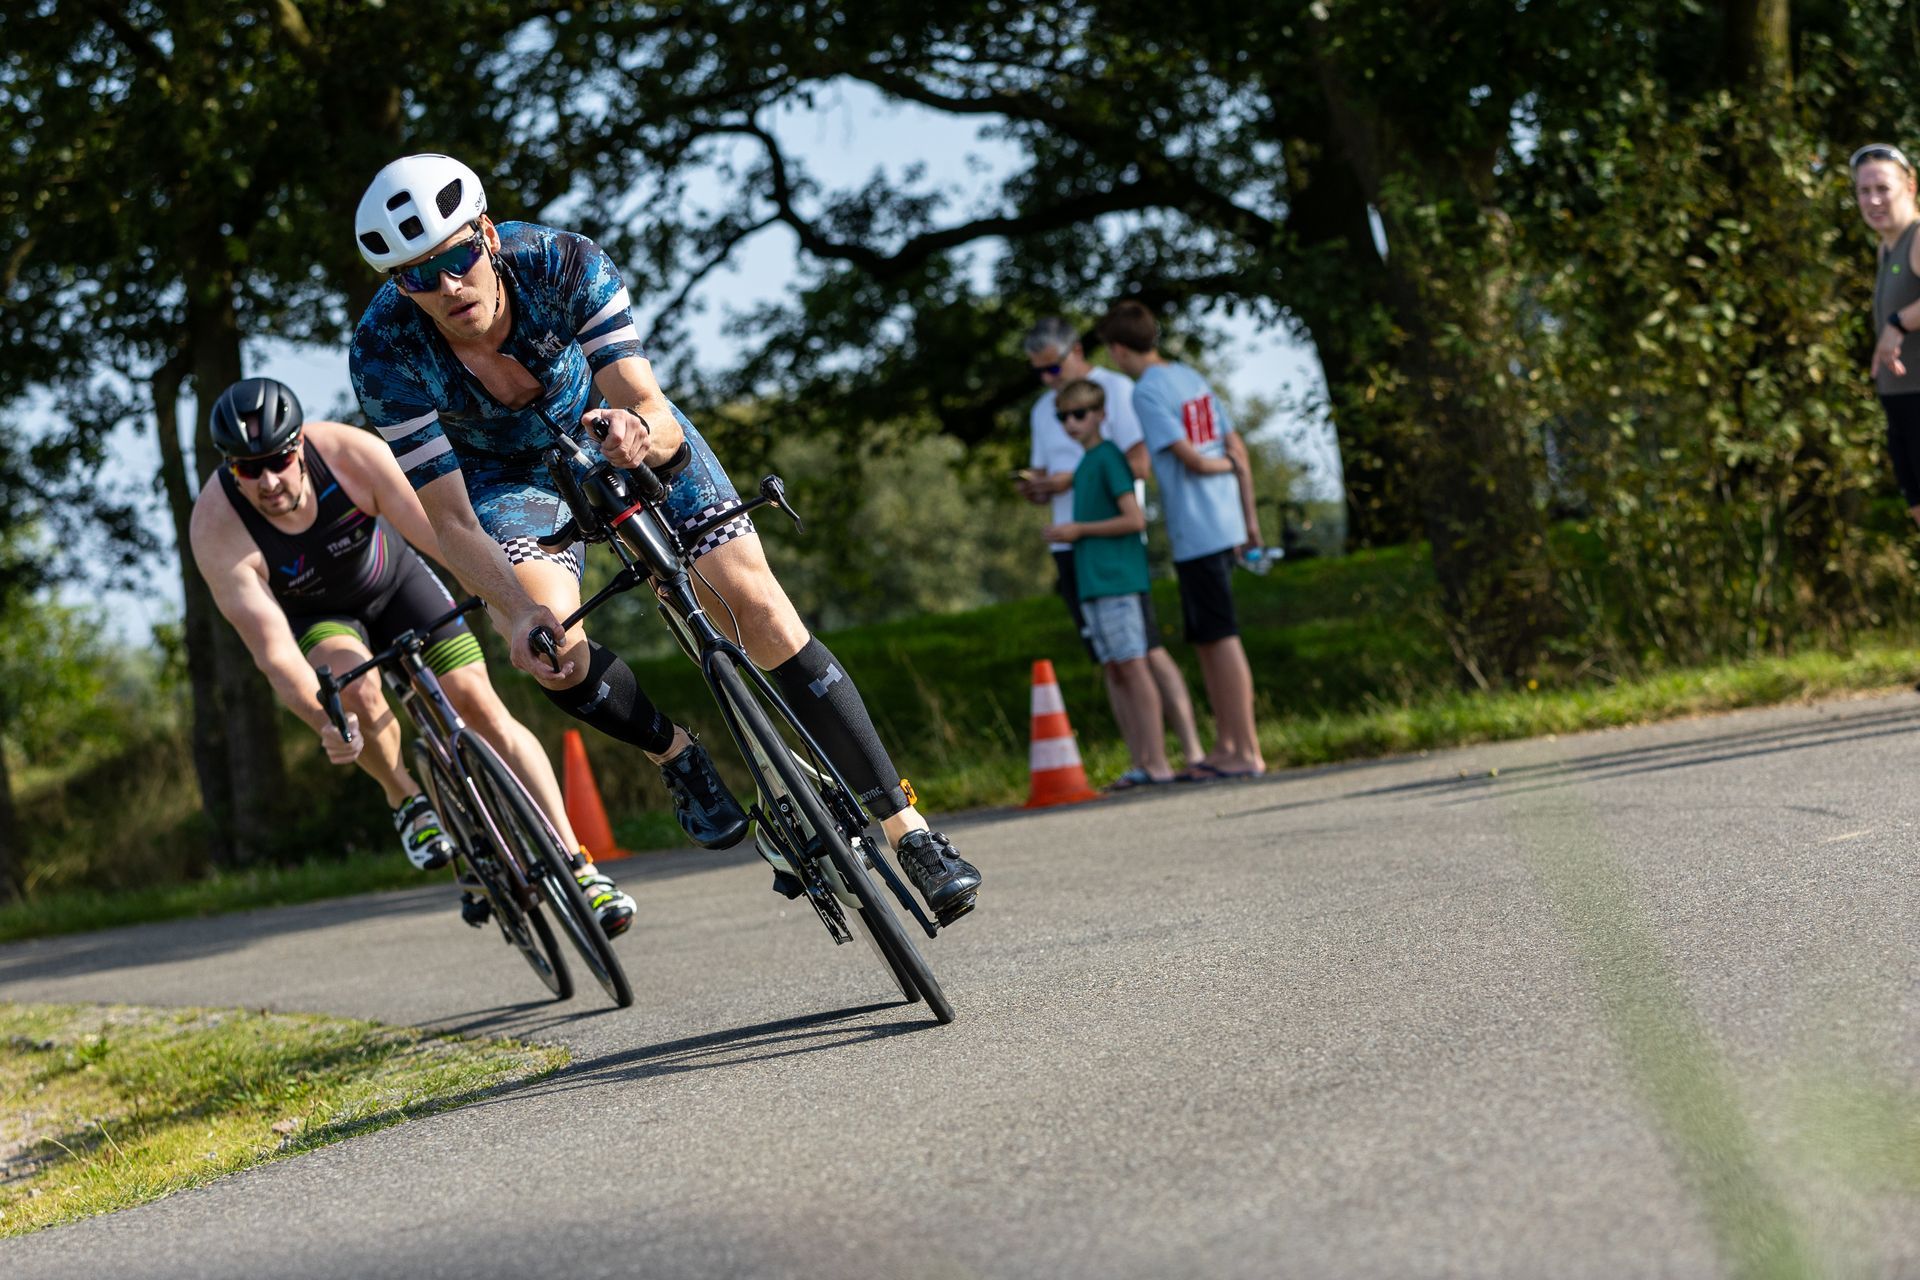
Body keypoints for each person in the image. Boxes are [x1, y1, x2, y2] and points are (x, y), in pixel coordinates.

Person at [347, 153, 980, 924]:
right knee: (555, 652)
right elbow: (449, 519)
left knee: (759, 609)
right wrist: (514, 611)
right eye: (417, 276)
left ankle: (907, 830)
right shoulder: (384, 350)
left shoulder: (561, 261)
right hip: (506, 480)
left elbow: (647, 401)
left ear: (485, 234)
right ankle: (674, 753)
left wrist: (636, 433)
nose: (446, 288)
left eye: (454, 258)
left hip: (614, 427)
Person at [187, 377, 637, 936]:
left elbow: (445, 535)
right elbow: (274, 654)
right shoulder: (216, 527)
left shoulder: (351, 455)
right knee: (355, 690)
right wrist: (326, 721)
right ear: (230, 469)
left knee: (479, 704)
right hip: (321, 618)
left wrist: (513, 611)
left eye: (278, 459)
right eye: (247, 468)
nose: (269, 479)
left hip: (394, 581)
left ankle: (578, 864)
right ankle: (405, 798)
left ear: (299, 444)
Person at [1017, 316, 1203, 780]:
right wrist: (1042, 488)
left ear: (1076, 351)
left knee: (1146, 653)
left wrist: (1074, 483)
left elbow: (1136, 463)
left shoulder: (1116, 392)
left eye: (1054, 369)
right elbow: (1047, 469)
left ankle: (1189, 754)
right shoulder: (1045, 409)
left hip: (1113, 547)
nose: (1048, 381)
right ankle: (1144, 759)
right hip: (1075, 545)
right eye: (1039, 373)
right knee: (1113, 659)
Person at [1097, 300, 1265, 780]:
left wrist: (1225, 468)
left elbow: (1194, 458)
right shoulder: (1191, 377)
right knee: (1208, 640)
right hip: (1226, 518)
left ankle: (1246, 749)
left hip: (1199, 526)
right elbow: (1235, 447)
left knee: (1221, 636)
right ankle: (1228, 743)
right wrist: (1249, 517)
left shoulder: (1147, 391)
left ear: (1117, 349)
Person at [1041, 379, 1177, 786]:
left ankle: (1158, 763)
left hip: (1118, 579)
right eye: (1063, 416)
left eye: (1080, 413)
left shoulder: (1109, 458)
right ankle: (1140, 762)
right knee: (1116, 670)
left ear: (1100, 415)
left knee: (1134, 667)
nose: (1071, 422)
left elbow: (1135, 519)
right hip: (1094, 582)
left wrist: (1078, 530)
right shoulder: (1085, 464)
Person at [1855, 143, 1920, 530]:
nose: (1873, 200)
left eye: (1883, 188)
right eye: (1864, 191)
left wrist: (1896, 324)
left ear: (1910, 186)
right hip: (1900, 404)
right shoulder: (1886, 247)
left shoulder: (1917, 238)